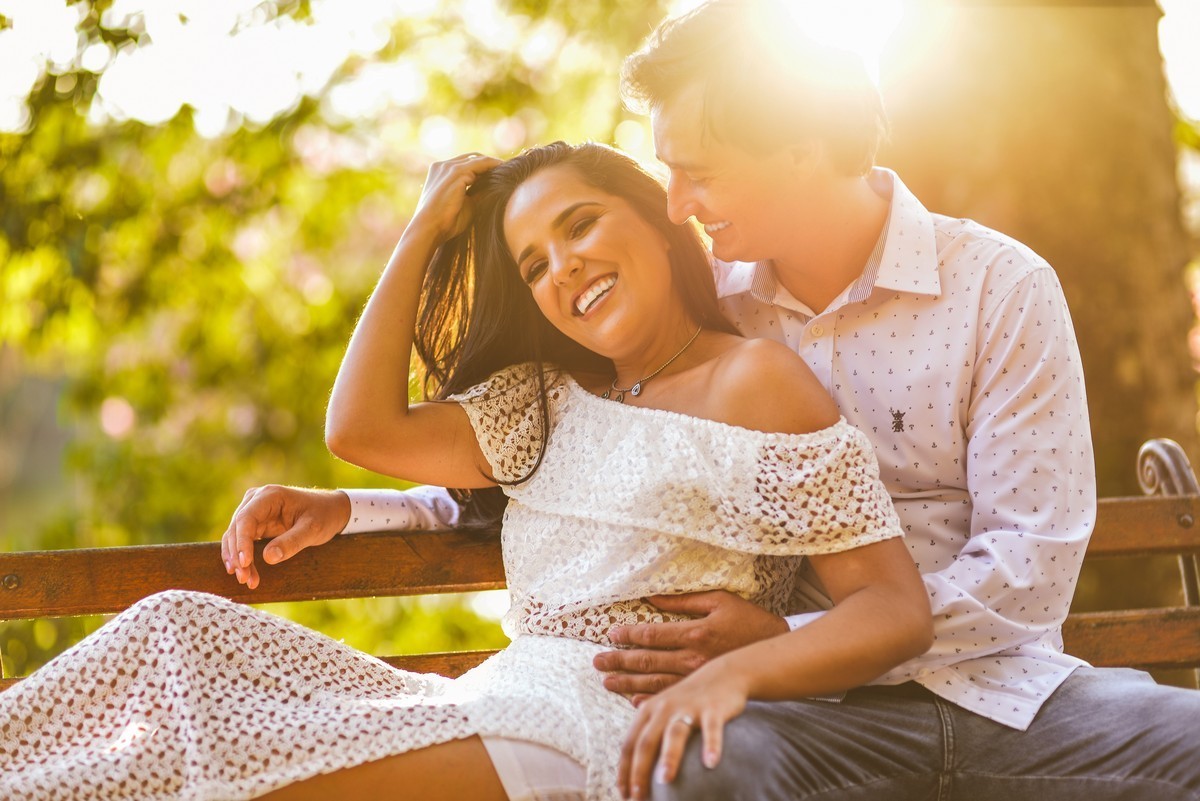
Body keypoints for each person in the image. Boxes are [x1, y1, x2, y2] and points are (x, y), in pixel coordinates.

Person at [267, 1, 1200, 798]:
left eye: (699, 171)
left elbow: (1029, 569)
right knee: (688, 765)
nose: (674, 203)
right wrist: (361, 508)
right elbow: (584, 463)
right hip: (796, 713)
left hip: (1003, 696)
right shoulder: (701, 299)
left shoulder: (999, 286)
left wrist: (792, 635)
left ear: (800, 145)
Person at [0, 141, 932, 801]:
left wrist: (747, 668)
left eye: (581, 224)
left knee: (216, 764)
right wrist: (422, 229)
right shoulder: (541, 400)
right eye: (534, 264)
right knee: (178, 630)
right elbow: (359, 426)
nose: (564, 267)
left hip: (605, 723)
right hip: (496, 695)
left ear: (656, 221)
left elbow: (892, 610)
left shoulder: (756, 381)